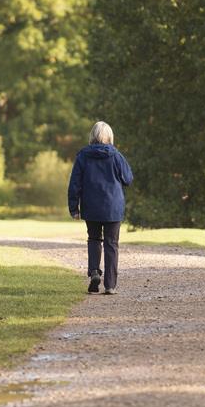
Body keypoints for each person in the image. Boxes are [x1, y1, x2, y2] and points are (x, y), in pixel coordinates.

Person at [67, 121, 134, 294]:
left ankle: (95, 272)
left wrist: (74, 208)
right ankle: (110, 285)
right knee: (111, 243)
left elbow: (74, 183)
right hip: (113, 206)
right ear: (109, 136)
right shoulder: (116, 156)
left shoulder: (83, 155)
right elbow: (128, 178)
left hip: (91, 206)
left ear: (92, 136)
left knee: (94, 239)